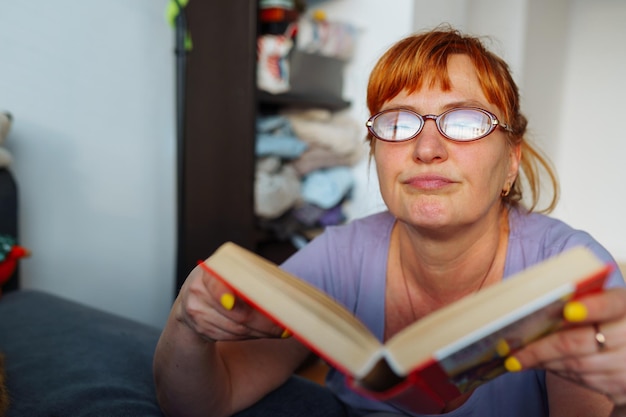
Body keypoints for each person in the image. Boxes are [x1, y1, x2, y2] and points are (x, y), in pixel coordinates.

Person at [153, 26, 626, 417]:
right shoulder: (341, 254)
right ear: (376, 152)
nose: (426, 149)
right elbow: (208, 401)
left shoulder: (572, 272)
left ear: (510, 163)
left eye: (463, 122)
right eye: (399, 123)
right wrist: (187, 323)